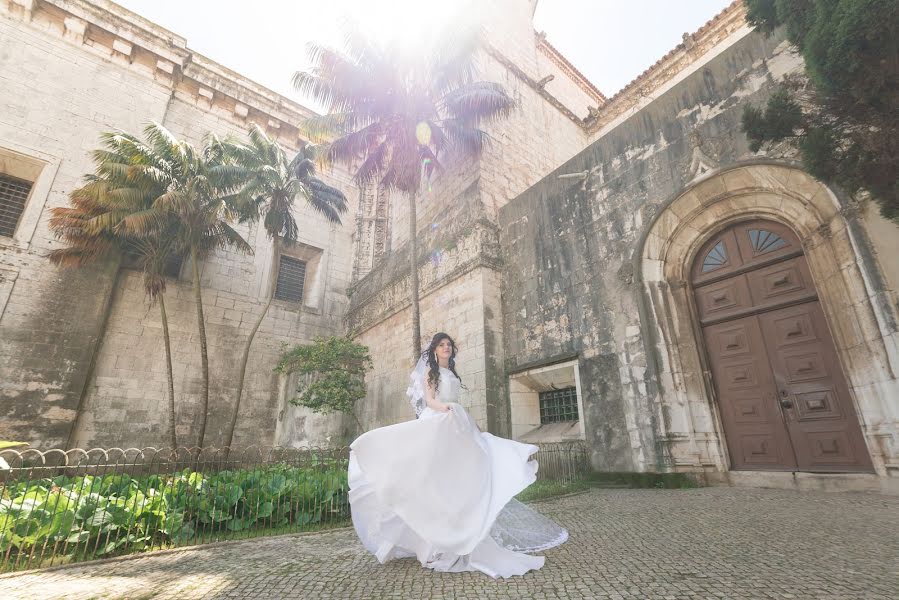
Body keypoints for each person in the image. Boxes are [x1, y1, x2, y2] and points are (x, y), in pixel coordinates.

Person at [348, 332, 568, 578]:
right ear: (434, 350)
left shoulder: (452, 374)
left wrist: (472, 424)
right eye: (442, 345)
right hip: (440, 423)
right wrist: (445, 409)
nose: (446, 348)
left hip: (457, 423)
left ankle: (460, 534)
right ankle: (435, 540)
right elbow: (429, 400)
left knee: (462, 479)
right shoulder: (430, 373)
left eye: (449, 345)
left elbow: (453, 398)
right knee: (434, 482)